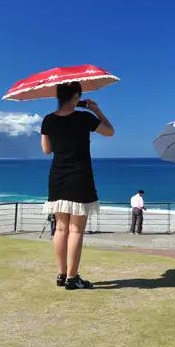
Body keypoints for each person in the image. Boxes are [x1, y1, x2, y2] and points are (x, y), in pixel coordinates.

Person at [40, 81, 115, 290]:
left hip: (57, 179)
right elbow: (110, 132)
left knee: (61, 229)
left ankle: (62, 275)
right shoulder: (84, 117)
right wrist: (96, 109)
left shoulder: (48, 120)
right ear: (75, 96)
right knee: (76, 231)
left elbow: (46, 150)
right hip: (80, 178)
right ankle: (73, 279)